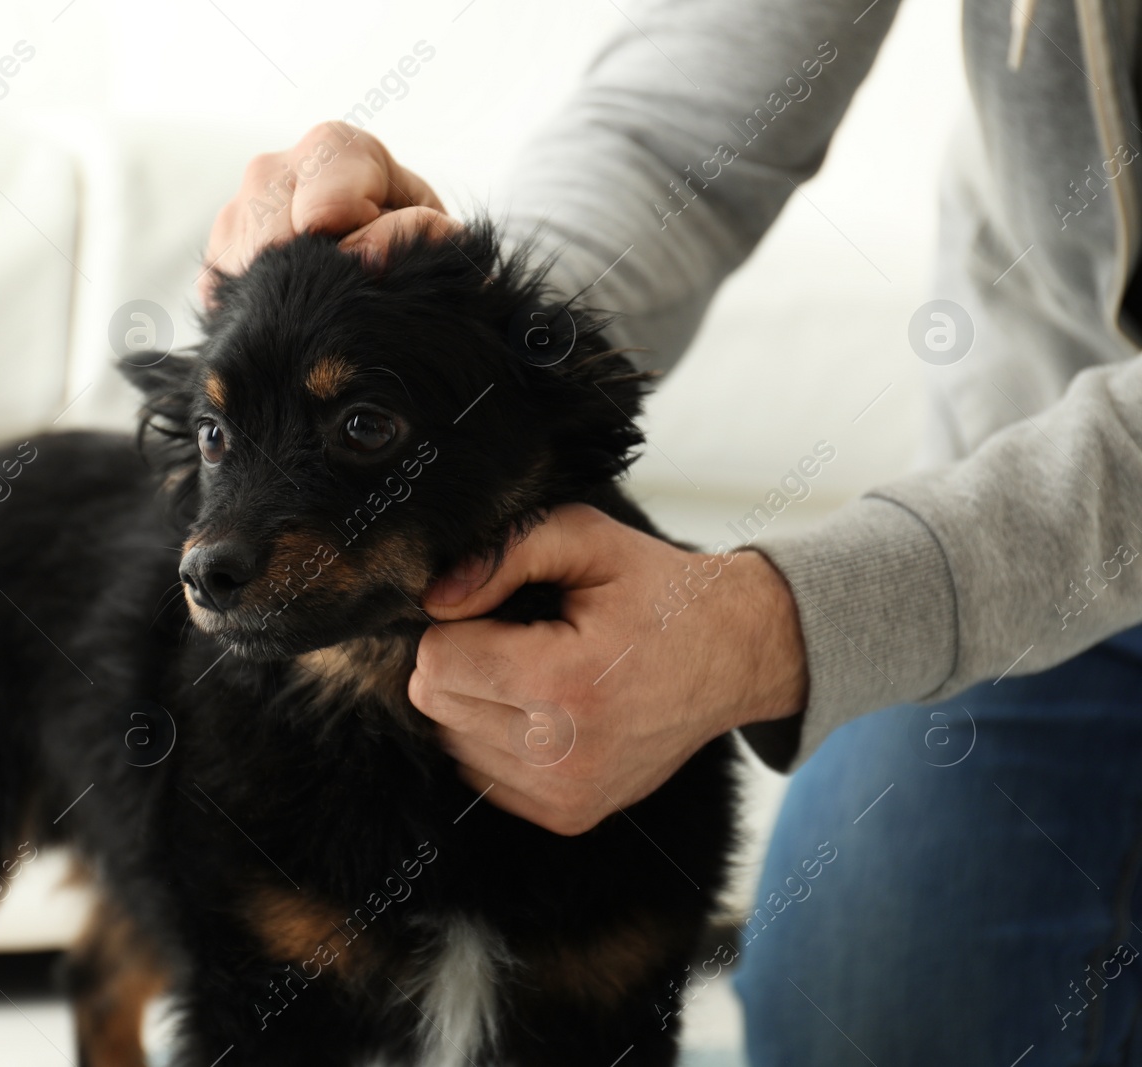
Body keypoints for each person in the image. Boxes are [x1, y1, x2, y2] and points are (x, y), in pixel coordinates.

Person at [200, 0, 1142, 1062]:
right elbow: (675, 119)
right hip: (1035, 540)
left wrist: (774, 625)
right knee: (871, 1020)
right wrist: (468, 326)